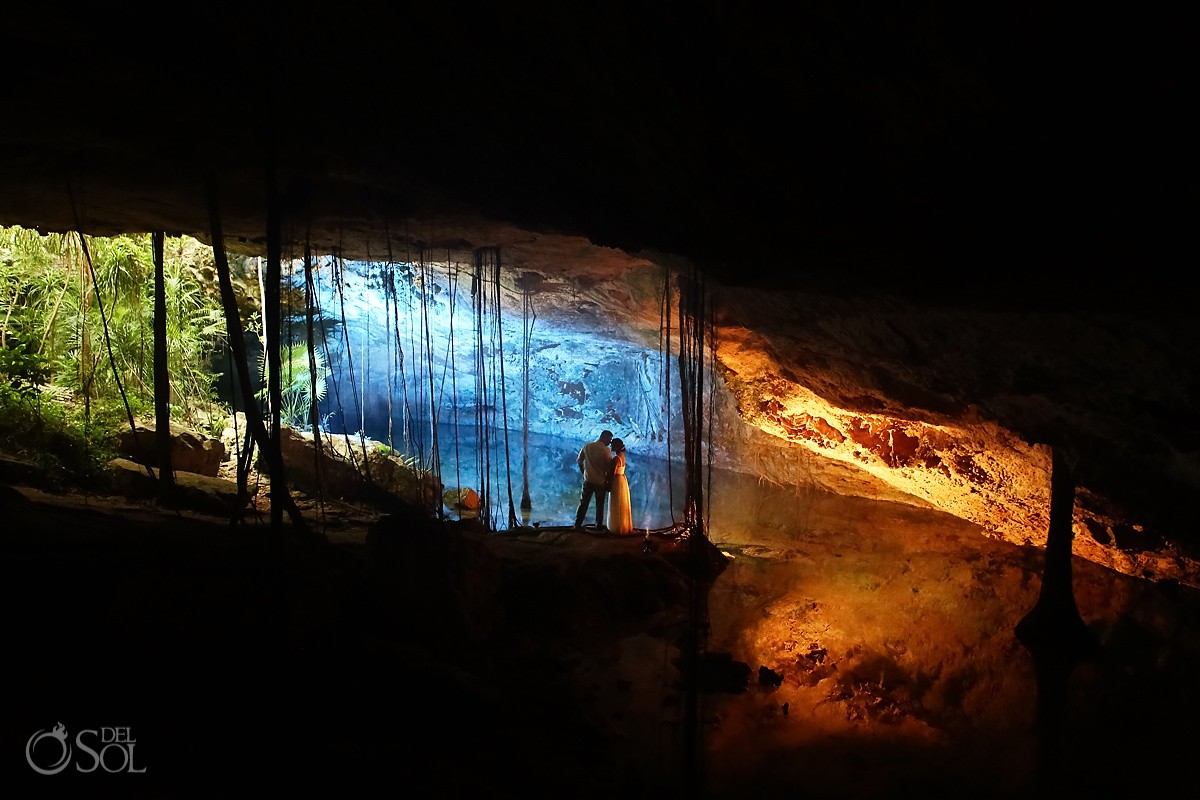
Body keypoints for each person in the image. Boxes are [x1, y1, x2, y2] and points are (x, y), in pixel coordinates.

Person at [574, 429, 613, 529]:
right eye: (609, 440)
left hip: (588, 480)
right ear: (604, 437)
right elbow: (609, 468)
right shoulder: (606, 451)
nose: (610, 443)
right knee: (599, 506)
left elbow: (579, 460)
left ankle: (577, 525)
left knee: (583, 503)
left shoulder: (587, 446)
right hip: (600, 482)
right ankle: (598, 526)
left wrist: (583, 472)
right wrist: (609, 481)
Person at [606, 438, 634, 535]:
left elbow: (612, 473)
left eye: (612, 445)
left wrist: (608, 484)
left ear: (616, 446)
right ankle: (623, 526)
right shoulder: (622, 456)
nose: (611, 447)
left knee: (616, 503)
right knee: (622, 503)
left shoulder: (615, 459)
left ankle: (616, 527)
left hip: (617, 481)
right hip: (622, 479)